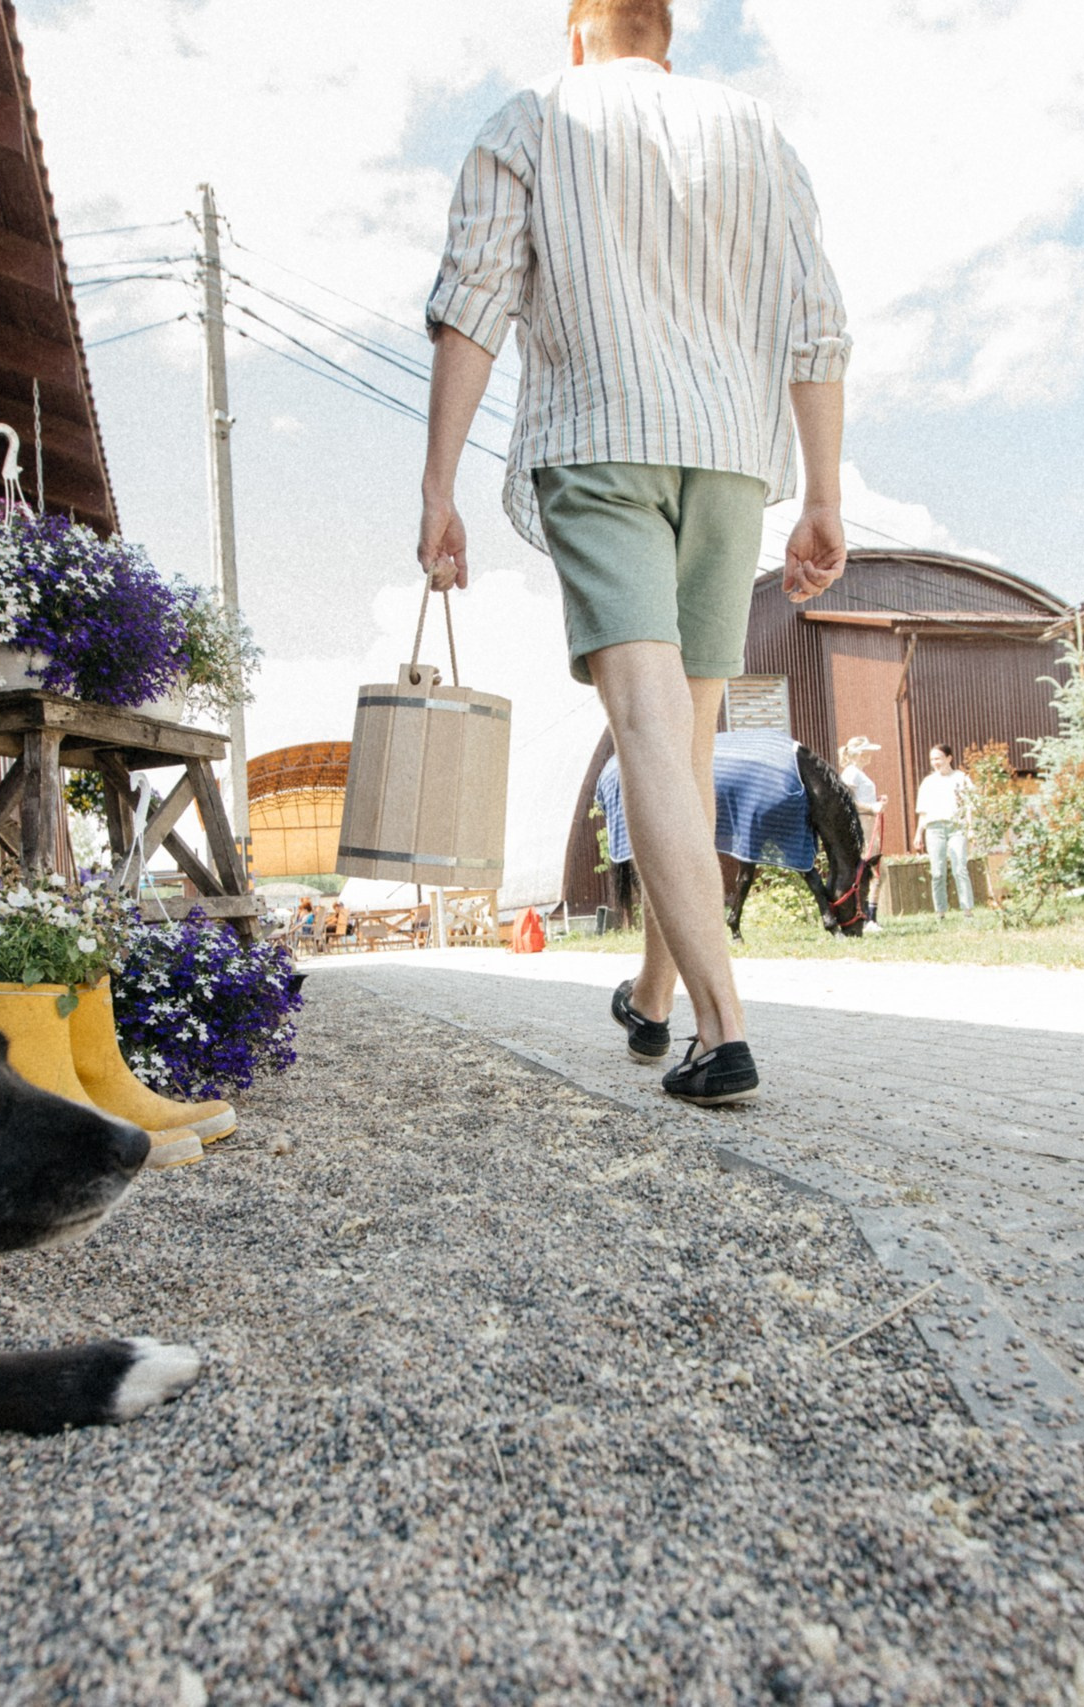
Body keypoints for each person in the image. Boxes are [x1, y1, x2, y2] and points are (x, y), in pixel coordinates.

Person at [417, 0, 850, 1106]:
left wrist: (439, 486)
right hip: (728, 464)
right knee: (684, 747)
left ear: (578, 32)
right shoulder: (756, 131)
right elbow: (815, 319)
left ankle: (723, 1028)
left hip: (603, 443)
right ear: (667, 36)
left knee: (650, 735)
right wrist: (822, 496)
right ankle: (653, 999)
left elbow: (471, 306)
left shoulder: (531, 120)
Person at [913, 745, 976, 915]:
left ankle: (967, 910)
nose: (935, 762)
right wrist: (919, 833)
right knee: (937, 872)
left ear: (949, 758)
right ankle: (940, 912)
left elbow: (969, 806)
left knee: (959, 868)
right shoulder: (928, 782)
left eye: (938, 758)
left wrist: (970, 829)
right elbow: (923, 811)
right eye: (932, 759)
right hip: (934, 829)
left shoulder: (961, 778)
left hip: (957, 827)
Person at [836, 736, 886, 931]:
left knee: (876, 872)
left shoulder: (858, 773)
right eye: (867, 752)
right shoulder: (851, 773)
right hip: (862, 827)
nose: (870, 756)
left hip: (869, 824)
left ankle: (869, 917)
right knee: (871, 872)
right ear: (859, 754)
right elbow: (846, 803)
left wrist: (877, 802)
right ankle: (866, 918)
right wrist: (872, 807)